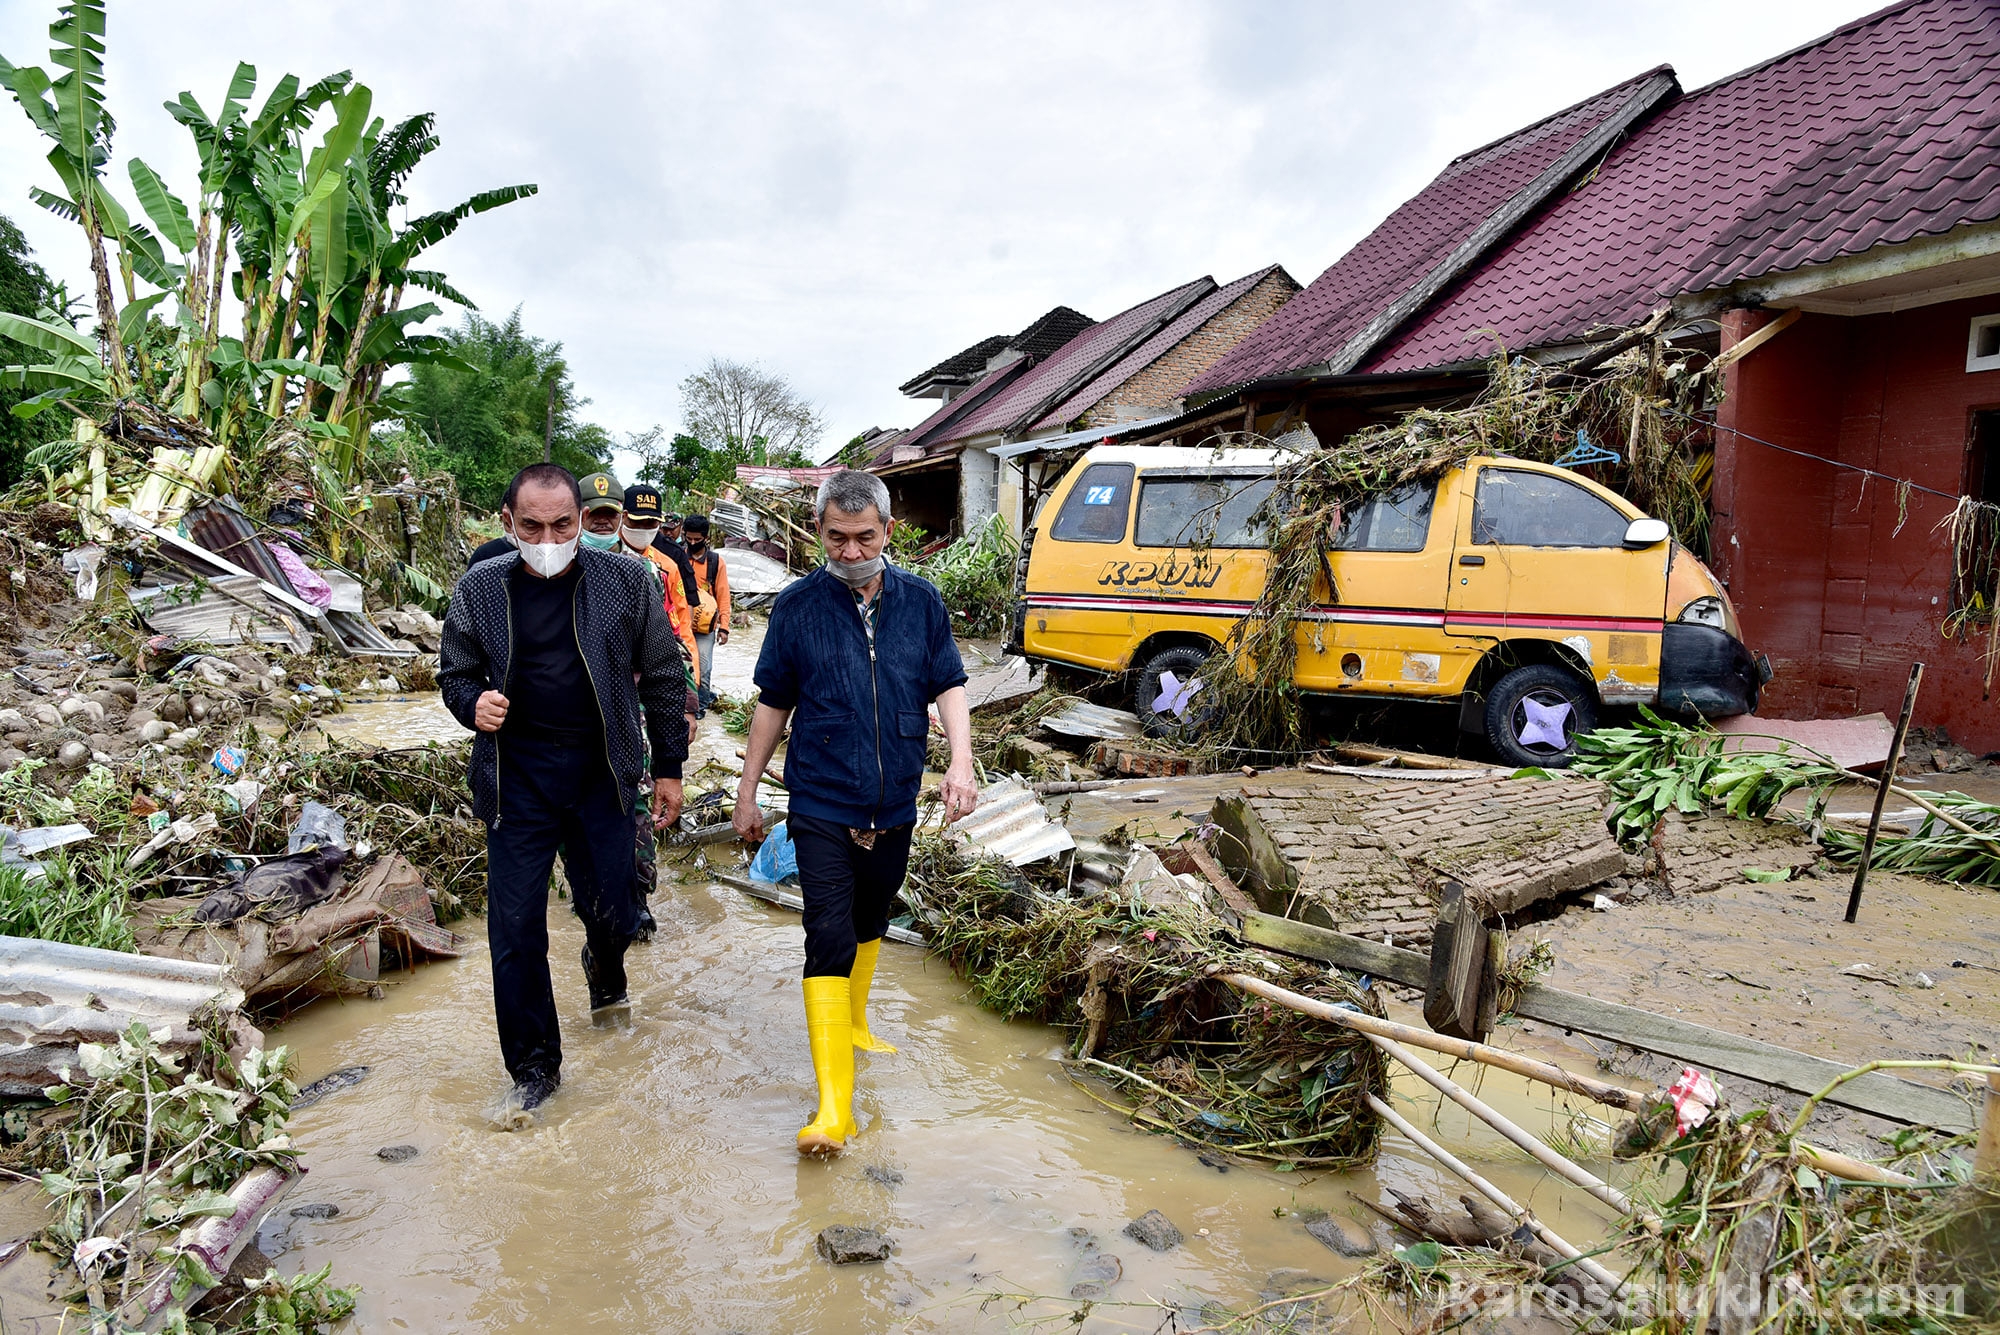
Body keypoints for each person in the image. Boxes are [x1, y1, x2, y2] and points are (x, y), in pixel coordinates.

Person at [732, 469, 978, 1156]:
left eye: (863, 536)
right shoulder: (797, 607)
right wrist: (749, 791)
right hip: (820, 797)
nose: (849, 551)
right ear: (818, 532)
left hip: (895, 797)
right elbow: (771, 705)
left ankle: (858, 1021)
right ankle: (832, 1108)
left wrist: (960, 762)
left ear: (888, 530)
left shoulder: (922, 602)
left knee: (874, 915)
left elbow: (949, 684)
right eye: (835, 538)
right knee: (828, 933)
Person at [439, 463, 693, 1111]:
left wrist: (669, 767)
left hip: (600, 775)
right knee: (516, 929)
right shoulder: (480, 588)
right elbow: (454, 671)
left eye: (562, 523)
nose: (548, 538)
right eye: (532, 525)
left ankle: (604, 966)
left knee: (617, 910)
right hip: (515, 780)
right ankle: (534, 1071)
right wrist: (474, 704)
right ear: (507, 524)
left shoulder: (625, 582)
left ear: (581, 520)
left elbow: (664, 676)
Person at [618, 486, 702, 691]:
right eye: (638, 522)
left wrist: (692, 682)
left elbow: (681, 626)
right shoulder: (601, 557)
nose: (644, 528)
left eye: (651, 523)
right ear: (623, 517)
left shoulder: (666, 566)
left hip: (650, 666)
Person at [683, 514, 730, 710]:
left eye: (697, 539)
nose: (693, 543)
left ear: (706, 538)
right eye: (689, 538)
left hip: (704, 628)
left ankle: (700, 708)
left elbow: (723, 595)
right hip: (681, 623)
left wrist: (724, 627)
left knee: (703, 668)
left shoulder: (716, 562)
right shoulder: (677, 557)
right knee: (681, 668)